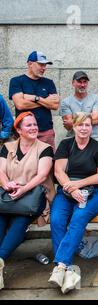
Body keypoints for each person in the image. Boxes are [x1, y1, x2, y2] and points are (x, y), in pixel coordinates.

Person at [49, 112, 98, 294]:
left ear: (92, 127)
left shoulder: (97, 147)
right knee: (57, 220)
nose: (83, 128)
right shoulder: (66, 144)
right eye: (80, 125)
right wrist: (71, 189)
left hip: (92, 192)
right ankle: (65, 267)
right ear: (73, 127)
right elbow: (58, 172)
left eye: (87, 125)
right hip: (67, 191)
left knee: (78, 218)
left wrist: (78, 185)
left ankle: (61, 266)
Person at [0, 112, 54, 290]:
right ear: (19, 129)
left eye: (35, 124)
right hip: (8, 196)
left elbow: (42, 175)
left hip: (33, 197)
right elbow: (0, 171)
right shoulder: (7, 147)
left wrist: (23, 188)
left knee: (20, 221)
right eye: (29, 125)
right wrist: (7, 184)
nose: (34, 128)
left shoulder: (44, 148)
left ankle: (0, 260)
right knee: (0, 220)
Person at [9, 51, 59, 150]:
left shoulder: (49, 83)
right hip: (24, 133)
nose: (44, 68)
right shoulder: (17, 81)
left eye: (45, 65)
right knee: (24, 163)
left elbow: (55, 105)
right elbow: (20, 104)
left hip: (46, 132)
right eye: (41, 64)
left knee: (48, 163)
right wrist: (45, 102)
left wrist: (35, 98)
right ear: (30, 64)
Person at [60, 71, 98, 142]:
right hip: (73, 139)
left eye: (85, 82)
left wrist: (74, 119)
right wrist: (89, 116)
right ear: (73, 83)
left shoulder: (96, 98)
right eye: (79, 82)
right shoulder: (66, 102)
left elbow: (96, 120)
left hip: (93, 139)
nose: (83, 85)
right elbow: (68, 126)